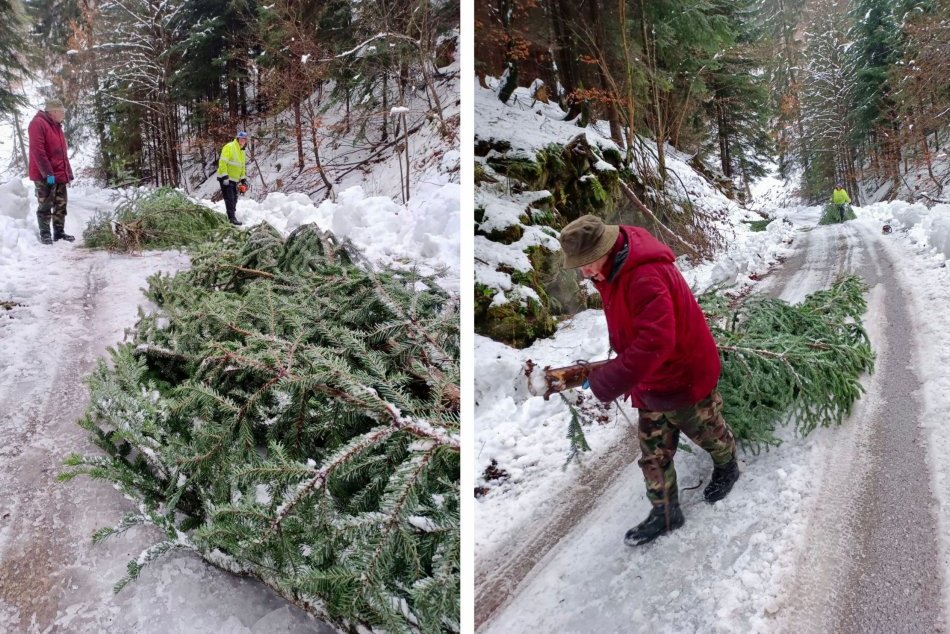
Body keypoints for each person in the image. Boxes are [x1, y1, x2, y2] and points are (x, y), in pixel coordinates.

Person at [559, 214, 740, 546]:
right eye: (579, 265)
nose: (584, 271)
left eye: (586, 263)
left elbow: (656, 341)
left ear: (605, 247)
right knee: (653, 453)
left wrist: (608, 380)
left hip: (683, 373)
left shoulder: (643, 275)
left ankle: (728, 465)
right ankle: (666, 513)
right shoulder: (612, 267)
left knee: (707, 431)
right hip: (651, 376)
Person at [28, 98, 75, 244]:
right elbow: (38, 151)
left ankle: (59, 233)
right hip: (45, 175)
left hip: (60, 174)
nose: (63, 115)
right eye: (62, 112)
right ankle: (45, 234)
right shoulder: (38, 123)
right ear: (54, 111)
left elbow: (62, 153)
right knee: (46, 204)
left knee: (61, 204)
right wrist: (48, 174)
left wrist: (68, 172)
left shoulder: (57, 126)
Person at [216, 130, 250, 226]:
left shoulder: (242, 150)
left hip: (234, 179)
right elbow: (222, 162)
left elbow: (242, 166)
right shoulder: (229, 147)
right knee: (230, 198)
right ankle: (231, 218)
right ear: (238, 138)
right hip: (225, 178)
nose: (243, 141)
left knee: (234, 198)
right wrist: (225, 176)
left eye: (245, 139)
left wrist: (243, 179)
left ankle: (231, 215)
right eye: (242, 139)